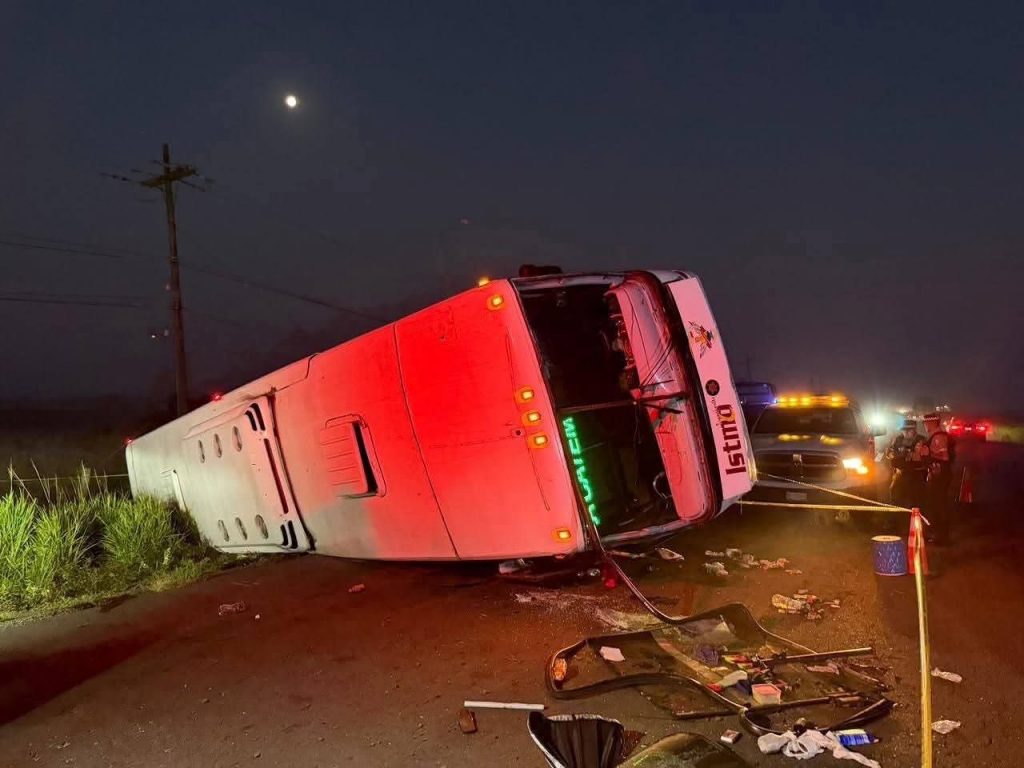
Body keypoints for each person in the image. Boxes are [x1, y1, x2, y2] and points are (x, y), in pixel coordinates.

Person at [922, 411, 956, 544]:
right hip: (937, 473)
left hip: (940, 474)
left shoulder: (938, 437)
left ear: (931, 423)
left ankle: (942, 537)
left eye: (926, 423)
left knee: (939, 504)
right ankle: (937, 534)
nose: (925, 425)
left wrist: (927, 455)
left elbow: (944, 457)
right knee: (935, 503)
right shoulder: (934, 436)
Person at [885, 419, 927, 510]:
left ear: (914, 430)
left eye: (909, 430)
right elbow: (889, 453)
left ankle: (915, 515)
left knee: (915, 499)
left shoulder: (921, 440)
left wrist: (906, 454)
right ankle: (896, 516)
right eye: (904, 430)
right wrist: (898, 454)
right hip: (899, 473)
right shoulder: (897, 439)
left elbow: (920, 457)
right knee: (895, 496)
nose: (906, 432)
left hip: (916, 474)